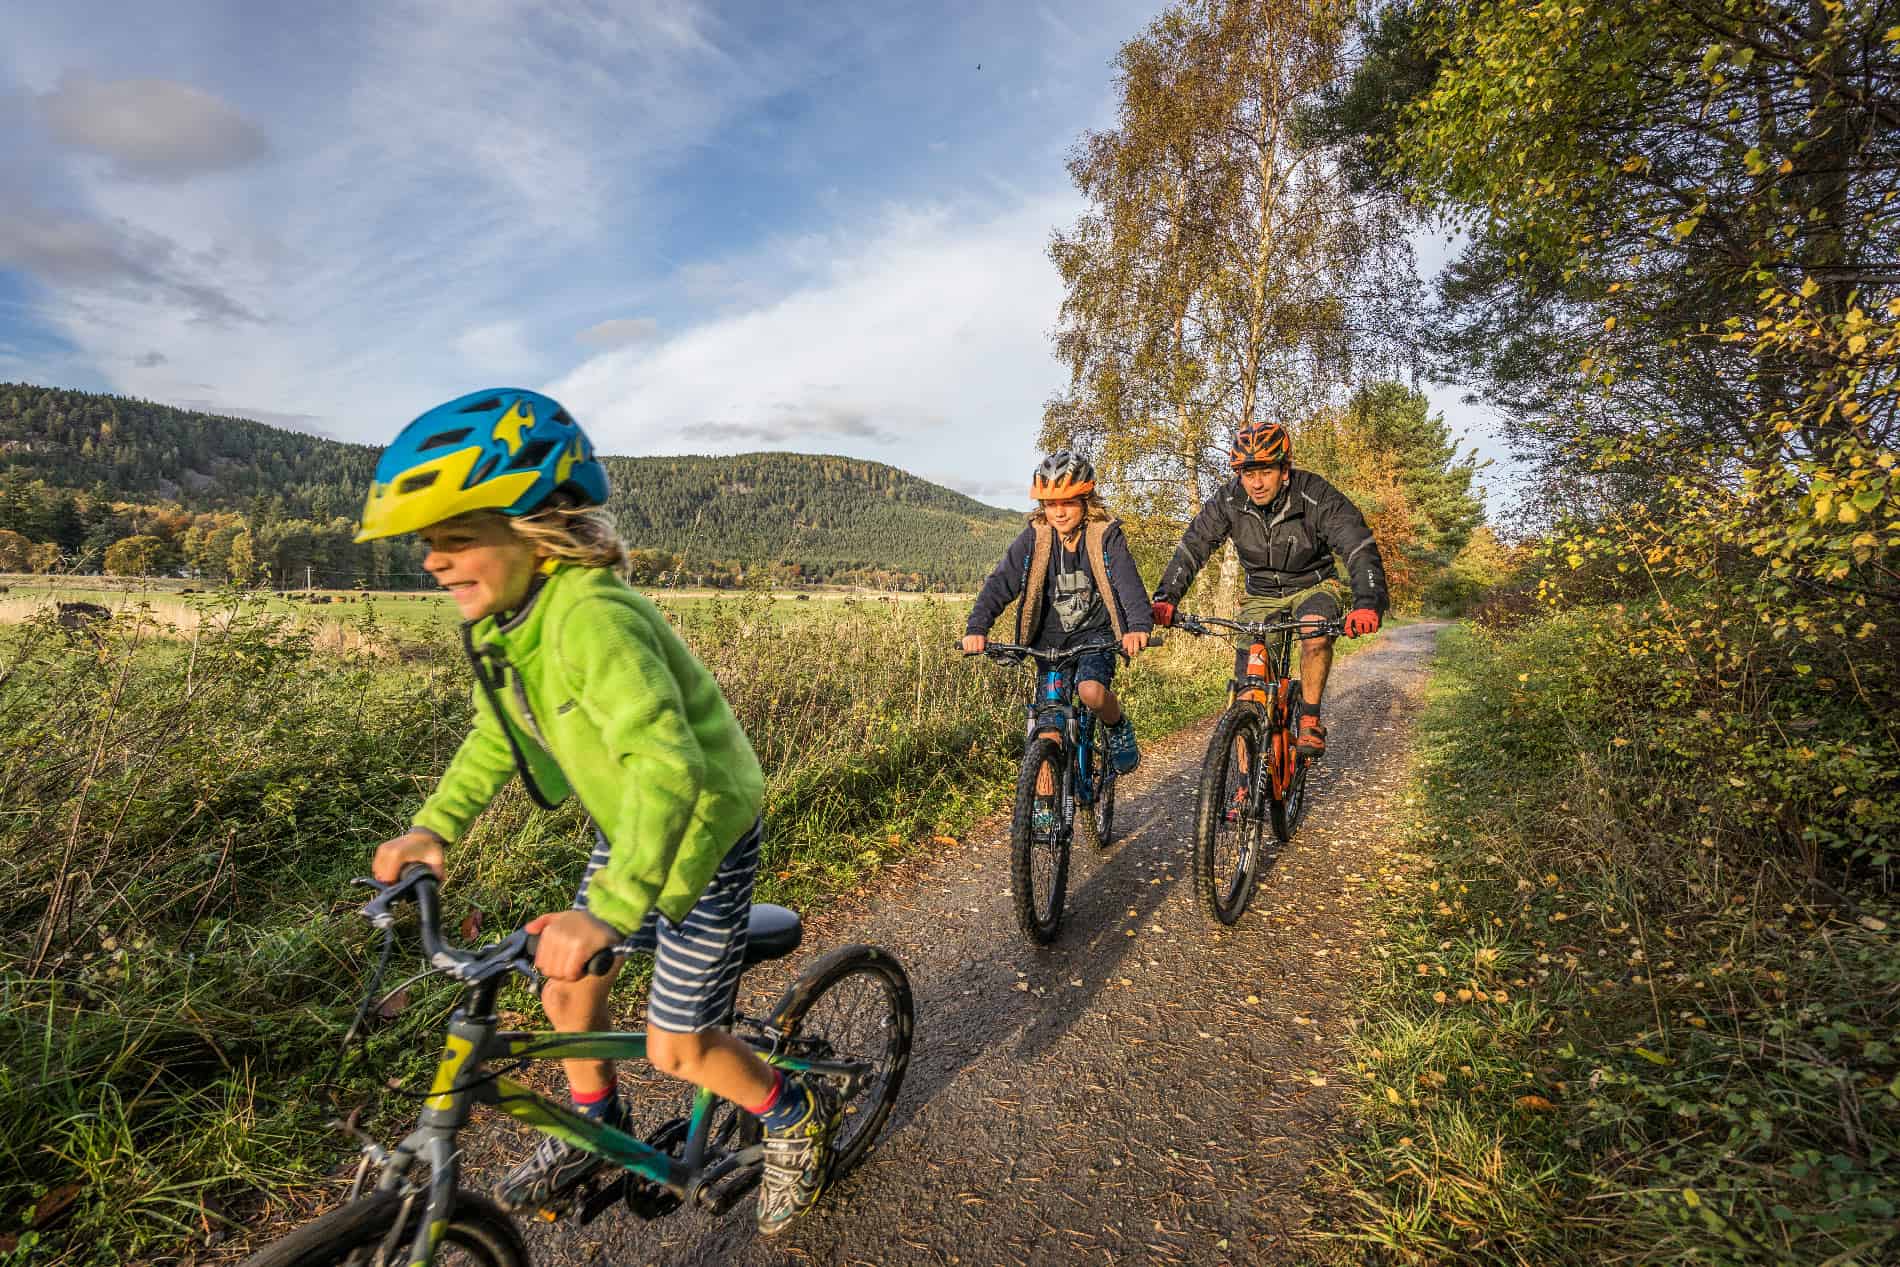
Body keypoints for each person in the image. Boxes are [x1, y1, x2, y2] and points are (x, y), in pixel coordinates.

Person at [357, 388, 835, 1236]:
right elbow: (497, 738)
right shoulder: (512, 626)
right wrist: (435, 825)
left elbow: (669, 766)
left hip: (700, 831)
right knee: (565, 990)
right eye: (427, 542)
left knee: (676, 1046)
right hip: (637, 828)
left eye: (454, 534)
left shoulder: (591, 616)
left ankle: (793, 1112)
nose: (432, 560)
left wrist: (609, 910)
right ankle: (599, 1126)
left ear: (533, 524)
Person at [1148, 422, 1387, 758]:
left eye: (1265, 472)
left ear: (1284, 469)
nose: (1256, 483)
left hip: (1313, 584)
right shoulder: (1229, 500)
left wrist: (1367, 602)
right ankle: (1244, 787)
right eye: (1248, 474)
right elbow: (1194, 546)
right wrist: (1166, 598)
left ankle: (1310, 719)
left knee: (1314, 632)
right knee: (1248, 692)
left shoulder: (1315, 494)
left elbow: (1357, 545)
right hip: (1260, 594)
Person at [962, 451, 1152, 820]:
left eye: (1067, 502)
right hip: (1048, 644)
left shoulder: (1104, 535)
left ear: (1086, 500)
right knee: (1048, 727)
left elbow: (1128, 583)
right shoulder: (1035, 539)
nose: (1059, 512)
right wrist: (977, 628)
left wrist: (1138, 627)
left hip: (1095, 637)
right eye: (1050, 504)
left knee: (1091, 692)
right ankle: (1046, 808)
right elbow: (1000, 583)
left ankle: (1117, 727)